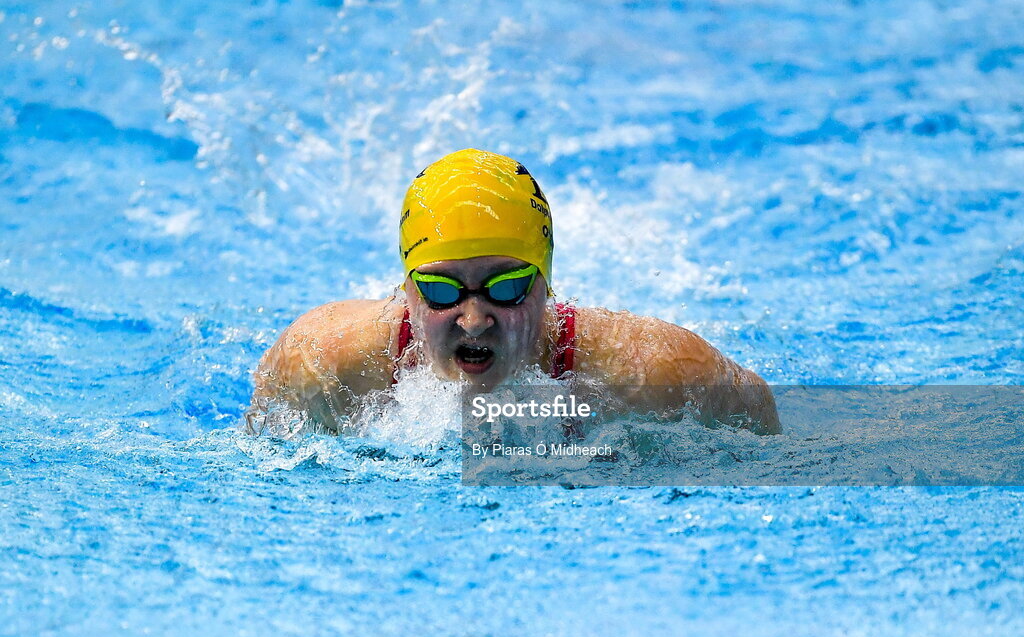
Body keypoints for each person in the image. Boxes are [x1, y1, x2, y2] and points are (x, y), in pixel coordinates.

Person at [249, 149, 780, 434]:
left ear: (546, 287)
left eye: (506, 286)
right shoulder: (322, 364)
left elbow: (766, 429)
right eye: (441, 289)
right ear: (405, 290)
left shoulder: (652, 373)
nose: (474, 318)